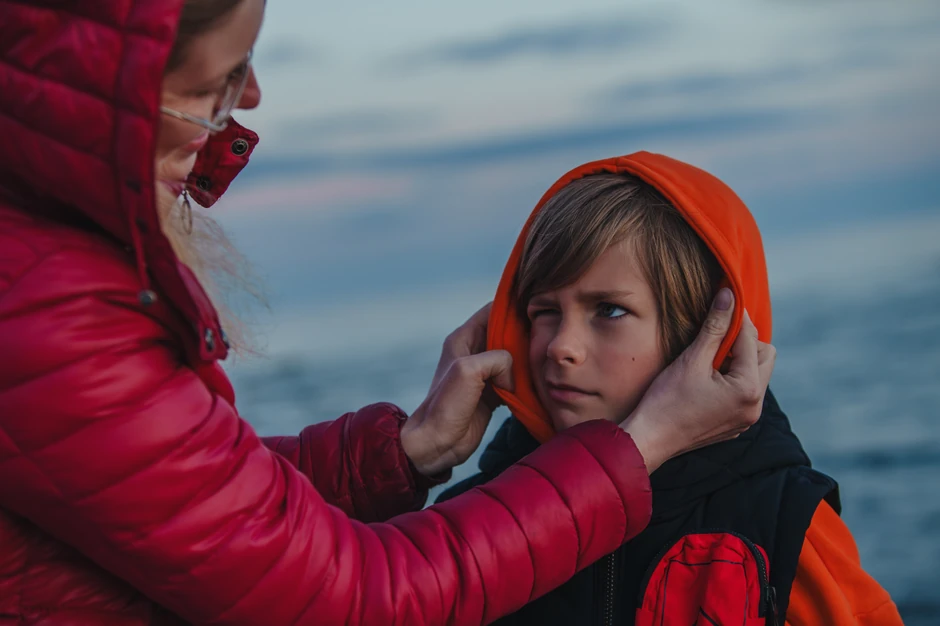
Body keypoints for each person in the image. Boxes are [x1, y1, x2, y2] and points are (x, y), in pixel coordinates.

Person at [0, 3, 773, 625]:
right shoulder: (49, 305)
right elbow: (359, 598)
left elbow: (181, 499)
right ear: (125, 83)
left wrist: (402, 453)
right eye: (222, 79)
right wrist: (642, 448)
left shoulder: (773, 507)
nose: (252, 95)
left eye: (608, 310)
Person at [438, 152, 903, 625]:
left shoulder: (782, 524)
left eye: (609, 310)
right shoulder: (465, 527)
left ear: (705, 338)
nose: (561, 346)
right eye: (544, 312)